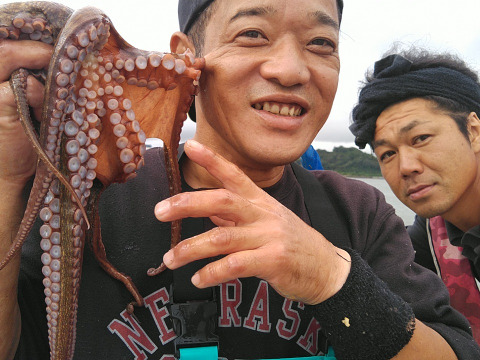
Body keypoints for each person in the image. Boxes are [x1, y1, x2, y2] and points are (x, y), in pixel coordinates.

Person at [1, 1, 479, 359]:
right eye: (252, 33)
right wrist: (6, 182)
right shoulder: (85, 199)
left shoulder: (359, 212)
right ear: (185, 57)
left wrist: (332, 278)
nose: (291, 70)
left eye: (321, 43)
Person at [350, 47, 480, 344]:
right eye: (387, 154)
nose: (406, 167)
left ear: (472, 130)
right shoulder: (431, 234)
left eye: (421, 138)